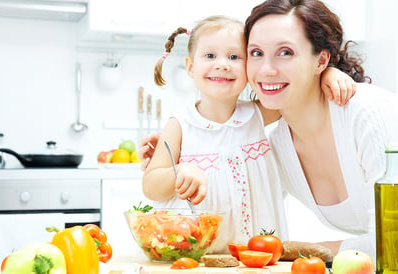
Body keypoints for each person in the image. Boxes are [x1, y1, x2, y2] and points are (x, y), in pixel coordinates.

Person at [142, 15, 355, 254]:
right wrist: (179, 171)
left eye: (234, 57)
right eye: (210, 56)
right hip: (196, 253)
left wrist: (328, 74)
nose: (222, 64)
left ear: (247, 68)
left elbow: (301, 91)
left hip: (257, 253)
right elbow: (150, 186)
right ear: (190, 66)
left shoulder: (258, 114)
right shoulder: (180, 125)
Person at [244, 0, 398, 260]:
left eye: (285, 52)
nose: (266, 69)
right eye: (256, 53)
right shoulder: (276, 145)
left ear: (321, 60)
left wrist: (299, 251)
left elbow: (391, 241)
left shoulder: (368, 115)